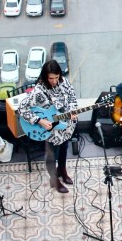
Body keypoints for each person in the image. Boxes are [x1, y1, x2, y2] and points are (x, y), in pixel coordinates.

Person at [18, 60, 79, 193]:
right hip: (51, 131)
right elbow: (22, 108)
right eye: (51, 78)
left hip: (65, 126)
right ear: (45, 77)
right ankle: (54, 179)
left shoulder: (65, 82)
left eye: (56, 77)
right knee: (52, 155)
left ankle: (62, 171)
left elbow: (73, 98)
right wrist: (39, 120)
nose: (54, 81)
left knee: (64, 149)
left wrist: (73, 110)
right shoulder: (39, 90)